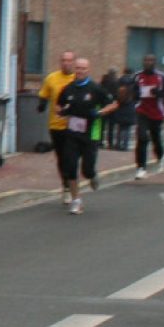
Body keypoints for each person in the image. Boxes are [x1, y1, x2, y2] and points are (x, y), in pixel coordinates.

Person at [53, 56, 115, 213]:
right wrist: (61, 111)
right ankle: (76, 200)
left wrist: (99, 113)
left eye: (83, 69)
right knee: (70, 167)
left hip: (90, 134)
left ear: (88, 70)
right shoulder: (68, 88)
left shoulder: (96, 89)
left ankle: (92, 175)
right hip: (72, 132)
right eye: (78, 68)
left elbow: (113, 104)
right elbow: (58, 105)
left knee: (86, 169)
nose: (80, 71)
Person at [38, 49, 79, 194]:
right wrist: (42, 104)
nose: (66, 63)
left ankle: (71, 181)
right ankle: (66, 184)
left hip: (73, 125)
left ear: (74, 62)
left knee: (71, 156)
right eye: (63, 60)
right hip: (56, 124)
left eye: (69, 60)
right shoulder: (52, 78)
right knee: (61, 157)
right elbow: (44, 94)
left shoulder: (77, 79)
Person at [130, 53, 164, 179]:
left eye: (150, 60)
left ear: (154, 63)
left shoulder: (162, 77)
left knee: (156, 137)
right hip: (142, 111)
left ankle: (160, 155)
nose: (148, 62)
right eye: (146, 60)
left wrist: (159, 93)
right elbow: (132, 92)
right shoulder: (137, 76)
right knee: (142, 137)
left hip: (157, 112)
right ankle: (141, 168)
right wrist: (136, 94)